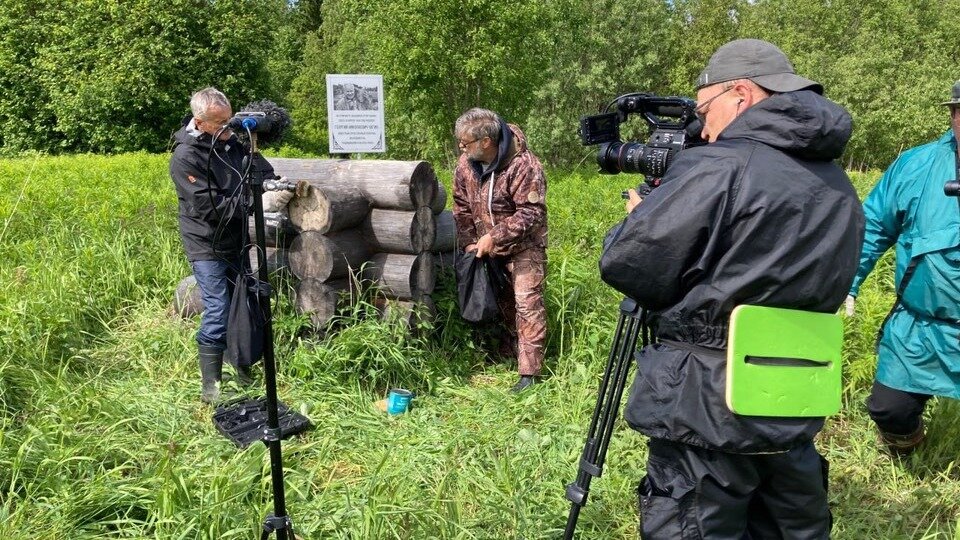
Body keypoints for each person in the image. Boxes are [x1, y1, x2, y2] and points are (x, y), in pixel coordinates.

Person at [599, 39, 864, 538]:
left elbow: (630, 267)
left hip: (706, 406)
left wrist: (638, 220)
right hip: (793, 395)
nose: (702, 126)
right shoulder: (838, 183)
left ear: (740, 94)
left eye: (705, 109)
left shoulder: (720, 166)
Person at [845, 80, 960, 456]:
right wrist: (847, 281)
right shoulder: (917, 165)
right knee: (889, 408)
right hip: (921, 327)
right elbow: (873, 226)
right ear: (953, 116)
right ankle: (907, 452)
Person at [170, 87, 290, 403]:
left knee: (244, 303)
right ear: (200, 120)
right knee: (219, 307)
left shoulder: (231, 142)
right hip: (205, 242)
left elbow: (262, 171)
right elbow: (210, 207)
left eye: (229, 118)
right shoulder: (185, 157)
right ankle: (211, 389)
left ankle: (240, 368)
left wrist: (273, 187)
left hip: (237, 240)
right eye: (220, 122)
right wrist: (258, 201)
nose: (228, 126)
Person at [452, 108, 548, 393]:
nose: (461, 146)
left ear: (485, 141)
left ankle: (530, 374)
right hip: (485, 248)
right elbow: (460, 206)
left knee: (527, 303)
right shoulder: (466, 164)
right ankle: (508, 352)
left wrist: (496, 236)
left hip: (524, 246)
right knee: (503, 303)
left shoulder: (524, 165)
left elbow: (532, 213)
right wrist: (469, 240)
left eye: (465, 142)